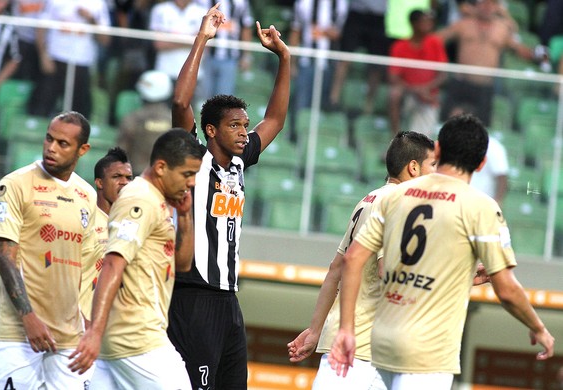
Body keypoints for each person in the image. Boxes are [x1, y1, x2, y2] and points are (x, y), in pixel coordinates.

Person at [329, 114, 555, 389]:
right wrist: (538, 327)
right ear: (482, 163)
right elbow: (506, 289)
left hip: (381, 345)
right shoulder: (480, 207)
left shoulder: (396, 196)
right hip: (428, 354)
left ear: (438, 150)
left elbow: (352, 259)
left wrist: (346, 330)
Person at [168, 5, 290, 389]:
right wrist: (202, 38)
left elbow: (275, 120)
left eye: (244, 125)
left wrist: (284, 58)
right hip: (193, 297)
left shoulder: (239, 164)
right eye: (234, 125)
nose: (243, 132)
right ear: (210, 130)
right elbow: (179, 104)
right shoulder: (194, 158)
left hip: (228, 301)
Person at [288, 131, 437, 390]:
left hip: (347, 343)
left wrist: (315, 330)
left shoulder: (369, 199)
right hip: (364, 351)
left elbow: (336, 269)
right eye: (433, 165)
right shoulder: (400, 203)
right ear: (413, 167)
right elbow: (387, 271)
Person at [68, 129, 206, 389]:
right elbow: (111, 264)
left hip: (123, 341)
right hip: (138, 339)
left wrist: (186, 217)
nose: (192, 183)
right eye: (188, 174)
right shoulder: (139, 201)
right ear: (162, 167)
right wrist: (94, 333)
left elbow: (184, 265)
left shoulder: (159, 202)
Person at [0, 111, 97, 389]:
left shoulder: (87, 196)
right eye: (49, 138)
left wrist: (89, 330)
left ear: (82, 150)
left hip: (70, 339)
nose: (51, 147)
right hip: (18, 334)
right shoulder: (14, 184)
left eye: (63, 143)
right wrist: (28, 317)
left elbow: (85, 269)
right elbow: (5, 258)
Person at [436, 0, 538, 126]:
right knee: (447, 123)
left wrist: (536, 54)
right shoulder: (463, 24)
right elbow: (436, 40)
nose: (487, 7)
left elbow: (519, 50)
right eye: (483, 3)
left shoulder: (501, 29)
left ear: (497, 7)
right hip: (460, 83)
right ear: (477, 5)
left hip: (485, 88)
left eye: (492, 4)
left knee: (479, 129)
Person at [27, 0, 111, 119]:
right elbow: (41, 28)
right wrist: (43, 56)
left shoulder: (98, 3)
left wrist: (91, 20)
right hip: (55, 59)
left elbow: (105, 40)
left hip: (82, 61)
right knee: (41, 104)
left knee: (79, 112)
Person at [79, 146, 133, 323]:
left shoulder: (134, 225)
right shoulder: (86, 222)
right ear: (99, 182)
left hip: (120, 331)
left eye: (128, 178)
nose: (124, 182)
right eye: (117, 177)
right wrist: (82, 320)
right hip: (83, 326)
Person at [287, 0, 348, 142]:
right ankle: (296, 139)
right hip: (307, 61)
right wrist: (292, 63)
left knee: (324, 106)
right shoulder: (304, 3)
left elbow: (343, 32)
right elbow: (296, 31)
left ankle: (319, 142)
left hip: (330, 62)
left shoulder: (340, 4)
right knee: (302, 104)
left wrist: (334, 33)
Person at [388, 9, 448, 137]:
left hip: (428, 95)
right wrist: (416, 90)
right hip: (408, 94)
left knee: (420, 140)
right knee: (394, 93)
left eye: (430, 21)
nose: (428, 24)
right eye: (424, 21)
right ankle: (395, 139)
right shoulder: (400, 46)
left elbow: (443, 75)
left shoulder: (435, 43)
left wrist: (425, 89)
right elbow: (393, 77)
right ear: (413, 24)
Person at [327, 0, 391, 113]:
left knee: (376, 63)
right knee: (344, 58)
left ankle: (369, 104)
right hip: (356, 13)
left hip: (378, 16)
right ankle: (333, 99)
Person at [197, 0, 255, 100]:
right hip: (206, 55)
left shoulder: (240, 2)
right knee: (203, 98)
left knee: (223, 100)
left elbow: (246, 27)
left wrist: (246, 56)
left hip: (230, 56)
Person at [118, 70, 172, 176]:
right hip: (167, 181)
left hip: (136, 179)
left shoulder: (131, 119)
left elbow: (119, 156)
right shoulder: (176, 121)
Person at [149, 0, 207, 82]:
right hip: (164, 71)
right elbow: (159, 44)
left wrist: (171, 39)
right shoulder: (160, 10)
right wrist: (192, 40)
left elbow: (205, 44)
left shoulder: (203, 11)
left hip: (193, 73)